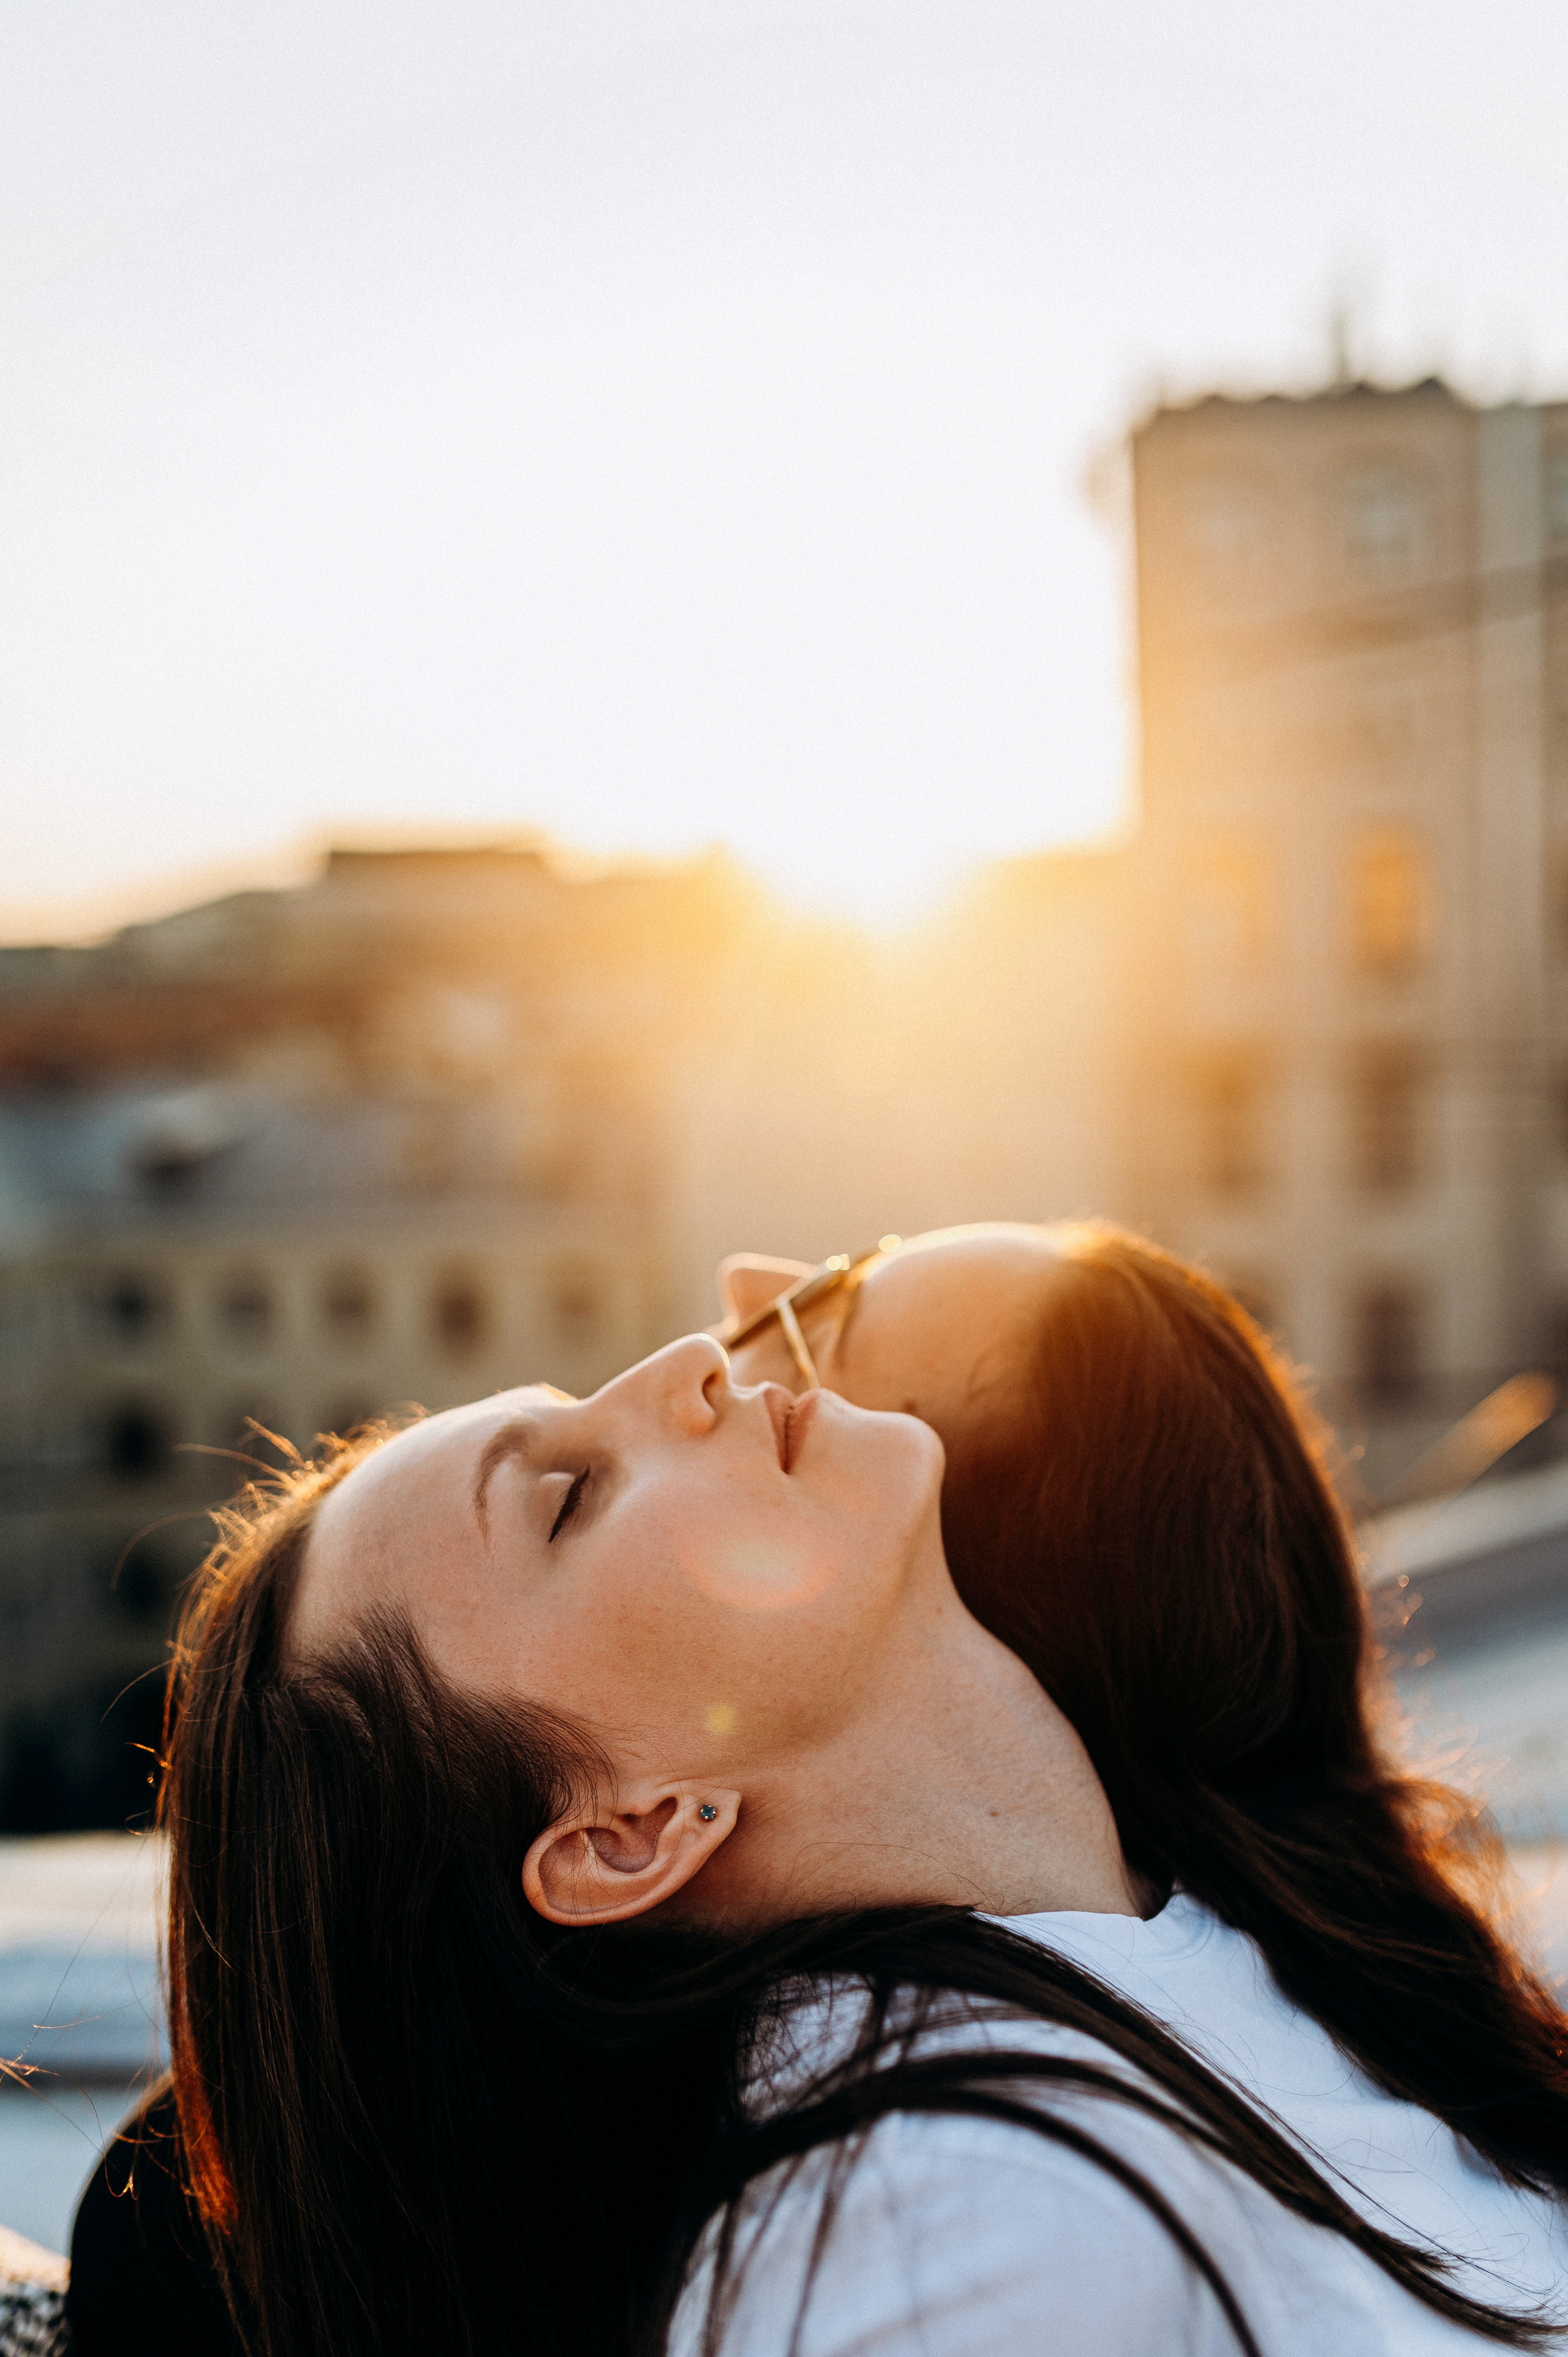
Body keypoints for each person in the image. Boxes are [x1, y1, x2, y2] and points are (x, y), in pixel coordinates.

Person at [64, 1320, 1568, 2355]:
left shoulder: (1236, 1934)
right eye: (568, 1496)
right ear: (629, 1830)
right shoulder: (929, 2231)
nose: (690, 1363)